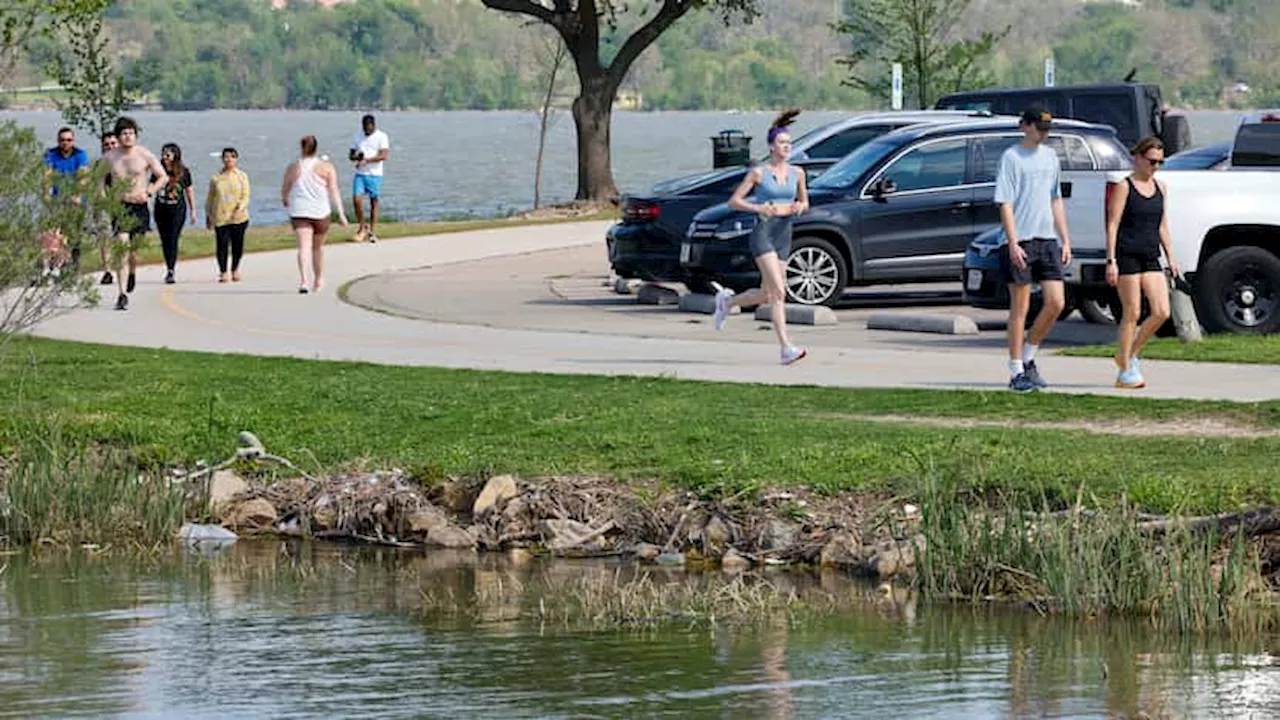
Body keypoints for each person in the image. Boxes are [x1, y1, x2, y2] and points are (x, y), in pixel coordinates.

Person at [711, 109, 810, 366]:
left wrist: (799, 206)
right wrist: (759, 208)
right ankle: (786, 348)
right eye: (781, 143)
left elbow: (804, 201)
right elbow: (734, 202)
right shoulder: (758, 173)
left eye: (789, 143)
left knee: (768, 295)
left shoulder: (798, 173)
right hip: (763, 233)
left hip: (783, 234)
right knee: (779, 291)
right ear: (771, 146)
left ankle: (728, 302)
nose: (786, 147)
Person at [996, 108, 1073, 393]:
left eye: (1046, 129)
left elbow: (1056, 199)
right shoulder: (1011, 158)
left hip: (1047, 238)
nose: (1043, 133)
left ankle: (1029, 356)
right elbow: (1004, 202)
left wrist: (1065, 238)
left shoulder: (1051, 157)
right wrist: (1013, 241)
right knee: (1021, 307)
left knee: (1056, 302)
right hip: (1021, 239)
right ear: (1024, 126)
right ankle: (1016, 369)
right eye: (1038, 128)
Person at [1105, 137, 1176, 389]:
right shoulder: (1125, 186)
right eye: (1151, 161)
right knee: (1132, 312)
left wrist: (1171, 257)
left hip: (1150, 254)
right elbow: (1112, 223)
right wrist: (1111, 260)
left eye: (1160, 162)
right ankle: (1125, 371)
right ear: (1138, 158)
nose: (1155, 166)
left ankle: (1129, 354)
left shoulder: (1161, 187)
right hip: (1127, 254)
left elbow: (1162, 226)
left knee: (1161, 311)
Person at [104, 116, 167, 311]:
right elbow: (97, 180)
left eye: (131, 133)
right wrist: (105, 199)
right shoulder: (110, 157)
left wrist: (148, 192)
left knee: (134, 252)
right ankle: (122, 294)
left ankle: (132, 272)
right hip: (120, 207)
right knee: (121, 248)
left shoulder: (144, 155)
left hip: (139, 206)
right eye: (124, 133)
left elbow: (163, 176)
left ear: (136, 135)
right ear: (118, 136)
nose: (128, 137)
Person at [283, 135, 348, 294]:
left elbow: (285, 187)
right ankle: (318, 279)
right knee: (317, 248)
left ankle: (304, 280)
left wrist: (285, 199)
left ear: (301, 147)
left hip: (300, 211)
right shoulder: (326, 167)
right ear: (316, 148)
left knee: (303, 247)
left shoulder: (293, 167)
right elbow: (334, 191)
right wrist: (341, 214)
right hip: (320, 212)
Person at [40, 127, 91, 276]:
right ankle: (51, 266)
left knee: (73, 234)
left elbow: (83, 177)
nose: (65, 143)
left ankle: (72, 266)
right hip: (57, 199)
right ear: (58, 141)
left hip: (75, 199)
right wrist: (46, 194)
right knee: (53, 233)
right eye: (62, 140)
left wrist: (77, 195)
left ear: (73, 141)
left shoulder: (80, 155)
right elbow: (47, 176)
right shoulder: (51, 154)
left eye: (69, 140)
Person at [152, 142, 197, 284]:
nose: (165, 156)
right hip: (161, 209)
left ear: (175, 155)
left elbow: (189, 191)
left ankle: (171, 270)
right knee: (164, 239)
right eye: (163, 153)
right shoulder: (158, 171)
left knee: (173, 238)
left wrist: (193, 211)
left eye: (168, 153)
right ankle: (168, 265)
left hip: (177, 210)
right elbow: (152, 187)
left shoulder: (183, 171)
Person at [206, 147, 252, 283]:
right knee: (222, 245)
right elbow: (210, 198)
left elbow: (246, 195)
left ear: (236, 159)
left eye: (231, 157)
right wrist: (208, 215)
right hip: (221, 216)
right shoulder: (216, 177)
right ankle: (223, 271)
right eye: (226, 157)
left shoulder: (242, 176)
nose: (228, 160)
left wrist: (240, 207)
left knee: (237, 245)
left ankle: (235, 269)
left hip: (239, 217)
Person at [349, 113, 390, 243]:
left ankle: (372, 230)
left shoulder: (381, 137)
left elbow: (384, 155)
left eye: (368, 127)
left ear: (373, 125)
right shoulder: (357, 136)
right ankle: (362, 227)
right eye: (364, 127)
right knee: (356, 199)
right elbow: (351, 155)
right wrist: (357, 157)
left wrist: (368, 160)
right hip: (361, 174)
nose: (366, 130)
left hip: (375, 174)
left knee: (374, 202)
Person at [97, 132, 120, 285]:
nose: (110, 147)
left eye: (113, 143)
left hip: (123, 203)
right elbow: (99, 185)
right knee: (105, 237)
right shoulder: (101, 164)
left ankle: (123, 268)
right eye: (107, 144)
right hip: (104, 204)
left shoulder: (125, 162)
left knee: (121, 237)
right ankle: (107, 270)